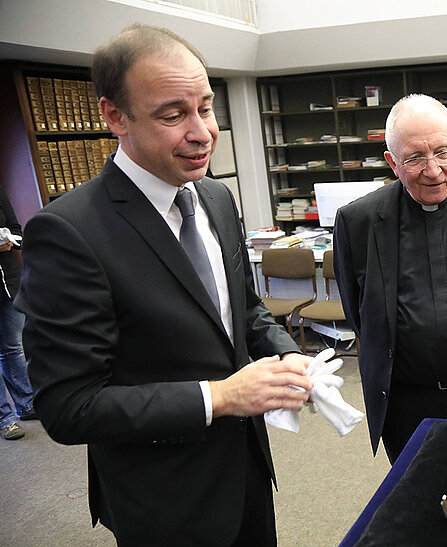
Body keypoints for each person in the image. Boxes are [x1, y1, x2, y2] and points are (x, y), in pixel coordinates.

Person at [16, 25, 313, 545]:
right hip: (163, 499)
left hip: (245, 474)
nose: (202, 132)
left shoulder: (216, 198)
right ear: (114, 117)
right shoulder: (69, 232)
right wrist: (219, 397)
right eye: (173, 115)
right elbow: (68, 407)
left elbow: (243, 311)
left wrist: (287, 354)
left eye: (206, 107)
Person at [333, 94, 447, 463]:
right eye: (415, 157)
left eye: (442, 152)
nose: (433, 170)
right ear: (392, 162)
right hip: (404, 401)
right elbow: (360, 314)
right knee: (415, 497)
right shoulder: (359, 222)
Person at [0, 186, 35, 441]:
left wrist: (8, 240)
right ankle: (5, 419)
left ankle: (27, 405)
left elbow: (17, 231)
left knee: (14, 346)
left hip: (7, 281)